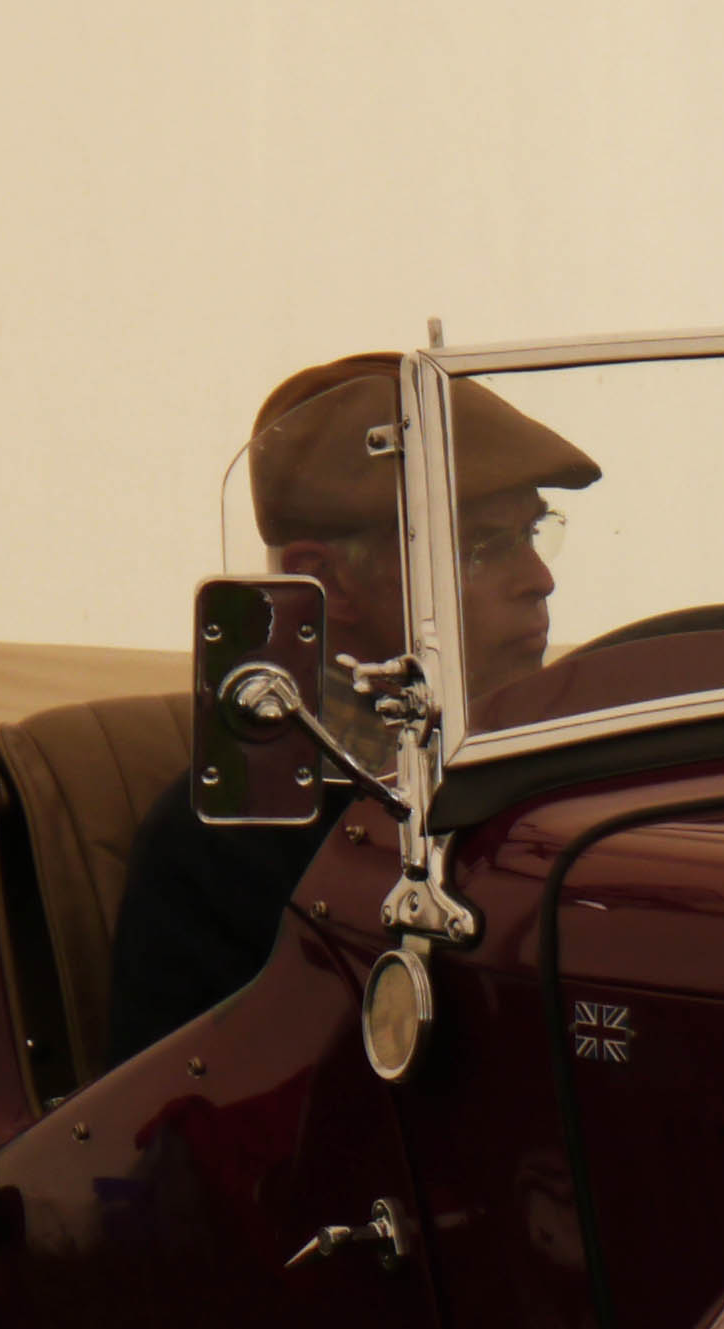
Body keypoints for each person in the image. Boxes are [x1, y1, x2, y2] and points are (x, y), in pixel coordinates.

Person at [102, 356, 600, 1057]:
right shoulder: (227, 845)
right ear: (327, 582)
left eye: (533, 532)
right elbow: (202, 1105)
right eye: (485, 545)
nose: (540, 579)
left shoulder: (551, 773)